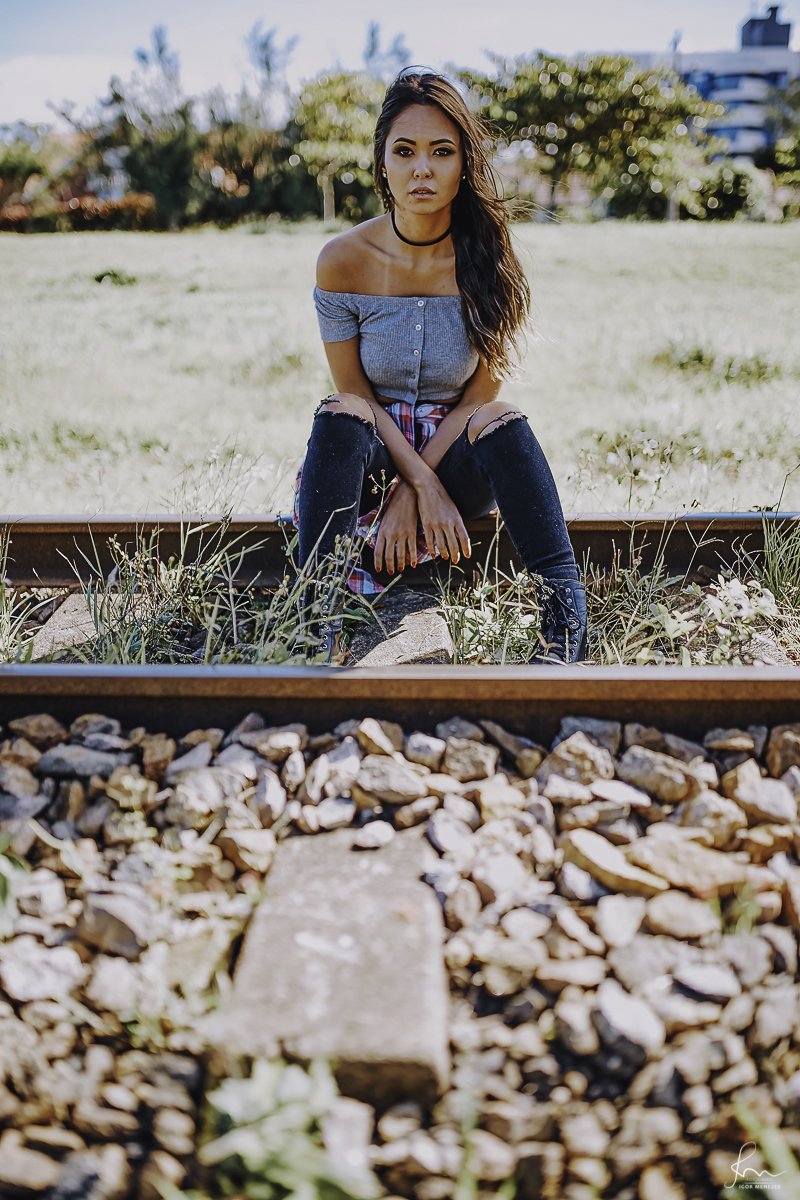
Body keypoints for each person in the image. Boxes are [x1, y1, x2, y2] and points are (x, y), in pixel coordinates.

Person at [295, 67, 586, 663]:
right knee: (339, 410)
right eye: (404, 151)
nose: (421, 169)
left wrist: (428, 483)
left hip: (458, 462)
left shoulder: (492, 259)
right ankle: (315, 623)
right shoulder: (342, 262)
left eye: (441, 151)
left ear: (463, 164)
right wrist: (410, 484)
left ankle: (564, 621)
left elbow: (479, 397)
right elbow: (355, 394)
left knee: (503, 414)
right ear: (382, 163)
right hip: (371, 462)